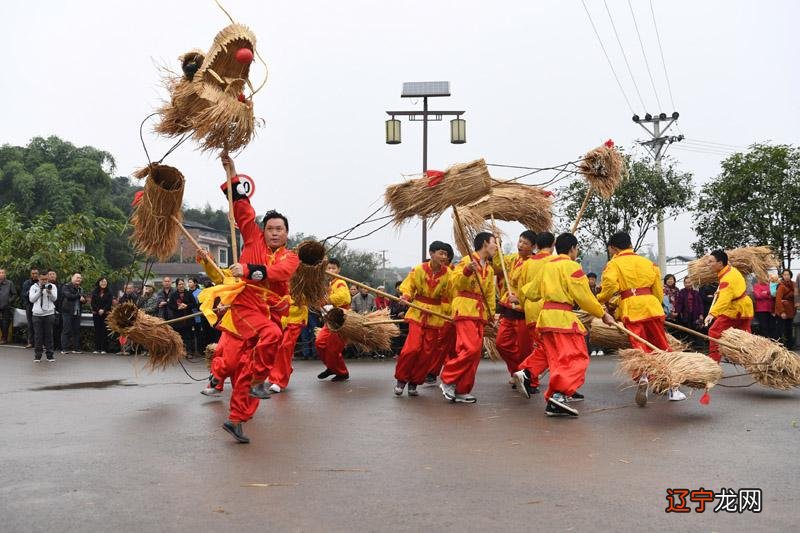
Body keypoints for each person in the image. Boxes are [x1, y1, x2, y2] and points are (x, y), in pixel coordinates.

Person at [200, 157, 299, 443]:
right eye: (271, 228)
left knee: (245, 369)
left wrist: (250, 269)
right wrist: (232, 173)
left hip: (267, 312)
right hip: (245, 306)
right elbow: (243, 208)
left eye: (280, 229)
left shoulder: (290, 257)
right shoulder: (253, 238)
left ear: (287, 233)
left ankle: (237, 419)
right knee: (260, 342)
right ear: (263, 230)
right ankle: (248, 380)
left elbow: (281, 272)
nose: (275, 232)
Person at [530, 233, 615, 417]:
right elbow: (584, 297)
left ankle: (555, 398)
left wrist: (516, 296)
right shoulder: (572, 266)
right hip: (562, 319)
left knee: (558, 360)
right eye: (576, 249)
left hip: (546, 319)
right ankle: (559, 395)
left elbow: (531, 292)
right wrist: (603, 314)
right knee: (578, 357)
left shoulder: (546, 267)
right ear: (572, 249)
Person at [597, 232, 685, 405]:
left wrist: (599, 300)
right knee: (661, 345)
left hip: (631, 308)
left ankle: (643, 375)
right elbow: (658, 290)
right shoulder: (648, 263)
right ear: (630, 244)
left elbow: (610, 287)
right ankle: (673, 388)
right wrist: (656, 305)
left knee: (639, 346)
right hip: (651, 307)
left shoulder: (614, 264)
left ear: (614, 248)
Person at [439, 232, 497, 404]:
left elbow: (489, 294)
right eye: (495, 243)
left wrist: (491, 314)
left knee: (475, 353)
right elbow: (454, 283)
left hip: (479, 313)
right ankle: (448, 378)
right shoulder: (467, 260)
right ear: (486, 243)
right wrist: (466, 271)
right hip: (464, 308)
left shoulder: (489, 268)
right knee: (469, 348)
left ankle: (462, 389)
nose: (496, 247)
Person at [393, 241, 452, 397]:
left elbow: (451, 294)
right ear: (431, 254)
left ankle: (414, 382)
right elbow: (408, 286)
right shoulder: (418, 269)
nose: (444, 257)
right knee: (412, 348)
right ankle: (401, 380)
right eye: (441, 253)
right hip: (417, 312)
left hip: (436, 316)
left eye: (446, 254)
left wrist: (448, 311)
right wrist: (405, 296)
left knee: (427, 353)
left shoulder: (449, 274)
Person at [513, 232, 557, 398]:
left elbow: (522, 289)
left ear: (536, 245)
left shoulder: (527, 263)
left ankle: (530, 377)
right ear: (553, 245)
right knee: (549, 348)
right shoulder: (554, 261)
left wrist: (525, 307)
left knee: (542, 347)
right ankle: (526, 372)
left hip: (530, 310)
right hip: (548, 309)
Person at [492, 230, 537, 381]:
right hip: (508, 309)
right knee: (501, 344)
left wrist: (520, 297)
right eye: (520, 241)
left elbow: (536, 287)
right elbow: (498, 266)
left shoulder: (535, 263)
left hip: (524, 310)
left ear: (533, 246)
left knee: (525, 349)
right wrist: (498, 247)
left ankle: (527, 377)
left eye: (525, 243)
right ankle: (517, 371)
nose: (521, 245)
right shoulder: (512, 259)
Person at [704, 250, 754, 363]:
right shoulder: (731, 270)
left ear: (720, 263)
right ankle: (754, 358)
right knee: (746, 337)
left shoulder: (727, 279)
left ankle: (713, 361)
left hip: (736, 309)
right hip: (744, 307)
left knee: (714, 331)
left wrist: (712, 314)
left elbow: (724, 301)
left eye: (711, 262)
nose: (708, 264)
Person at [316, 258, 352, 381]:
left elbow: (344, 297)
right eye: (328, 268)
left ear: (339, 270)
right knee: (320, 343)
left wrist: (326, 300)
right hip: (331, 320)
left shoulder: (341, 282)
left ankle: (342, 372)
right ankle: (332, 367)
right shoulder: (329, 284)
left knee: (333, 349)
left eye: (333, 268)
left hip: (341, 320)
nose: (330, 270)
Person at [29, 275, 58, 362]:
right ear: (39, 279)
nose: (44, 281)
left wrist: (49, 292)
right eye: (42, 279)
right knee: (38, 336)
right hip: (37, 314)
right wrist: (40, 291)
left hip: (49, 314)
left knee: (49, 335)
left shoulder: (52, 286)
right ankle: (37, 356)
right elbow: (32, 300)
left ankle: (50, 355)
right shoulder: (33, 287)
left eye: (46, 279)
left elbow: (54, 299)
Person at [168, 278, 197, 354]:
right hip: (178, 319)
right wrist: (178, 307)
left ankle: (189, 351)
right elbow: (170, 306)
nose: (181, 286)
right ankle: (179, 352)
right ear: (177, 286)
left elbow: (194, 304)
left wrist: (186, 305)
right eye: (179, 284)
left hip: (188, 319)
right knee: (178, 336)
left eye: (182, 284)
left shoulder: (189, 293)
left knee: (188, 336)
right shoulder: (173, 295)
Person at [60, 273, 85, 354]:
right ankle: (64, 349)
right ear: (72, 278)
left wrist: (84, 300)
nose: (79, 279)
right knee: (66, 330)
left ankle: (76, 349)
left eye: (80, 278)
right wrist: (79, 295)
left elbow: (82, 299)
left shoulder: (80, 288)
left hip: (77, 312)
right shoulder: (66, 286)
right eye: (77, 277)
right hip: (67, 311)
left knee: (76, 331)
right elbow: (68, 296)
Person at [674, 278, 704, 344]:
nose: (688, 284)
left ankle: (698, 345)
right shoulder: (681, 292)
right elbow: (679, 303)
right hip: (685, 314)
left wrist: (701, 314)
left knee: (696, 329)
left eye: (689, 282)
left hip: (695, 314)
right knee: (686, 329)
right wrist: (677, 312)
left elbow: (700, 304)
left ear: (692, 282)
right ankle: (688, 344)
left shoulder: (696, 292)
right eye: (686, 283)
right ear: (684, 284)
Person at [90, 277, 113, 354]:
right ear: (99, 282)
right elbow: (92, 303)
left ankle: (103, 348)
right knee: (97, 331)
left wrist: (103, 310)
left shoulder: (109, 292)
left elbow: (109, 303)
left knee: (104, 331)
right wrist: (98, 310)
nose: (104, 283)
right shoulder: (94, 291)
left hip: (105, 314)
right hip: (96, 314)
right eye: (102, 282)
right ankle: (96, 348)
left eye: (105, 282)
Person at [774, 269, 795, 348]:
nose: (786, 276)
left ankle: (789, 347)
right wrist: (782, 312)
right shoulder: (781, 286)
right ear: (782, 276)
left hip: (790, 311)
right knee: (779, 330)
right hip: (782, 311)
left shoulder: (794, 285)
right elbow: (778, 300)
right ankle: (777, 347)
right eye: (784, 275)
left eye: (788, 275)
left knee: (789, 330)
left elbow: (796, 296)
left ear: (790, 275)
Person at [585, 272, 604, 357]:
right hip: (587, 313)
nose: (591, 281)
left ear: (595, 280)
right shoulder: (585, 289)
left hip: (597, 312)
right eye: (589, 279)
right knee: (590, 332)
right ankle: (592, 350)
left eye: (592, 279)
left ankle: (600, 349)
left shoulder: (598, 289)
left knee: (599, 330)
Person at [21, 268, 40, 348]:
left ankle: (39, 343)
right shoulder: (27, 283)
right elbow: (23, 295)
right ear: (30, 274)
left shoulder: (41, 282)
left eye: (36, 273)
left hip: (39, 306)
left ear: (38, 274)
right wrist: (29, 292)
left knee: (39, 325)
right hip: (30, 306)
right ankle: (30, 342)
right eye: (33, 273)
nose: (34, 275)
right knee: (30, 325)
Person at [0, 268, 18, 344]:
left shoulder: (9, 283)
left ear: (5, 274)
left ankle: (4, 339)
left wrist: (9, 301)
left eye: (2, 272)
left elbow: (14, 294)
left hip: (6, 306)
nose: (1, 274)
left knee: (5, 323)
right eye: (0, 272)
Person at [47, 270, 64, 350]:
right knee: (49, 329)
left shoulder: (60, 285)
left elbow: (61, 298)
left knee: (59, 328)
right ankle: (49, 345)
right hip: (47, 310)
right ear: (47, 276)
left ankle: (58, 345)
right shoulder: (44, 285)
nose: (52, 276)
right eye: (50, 274)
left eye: (53, 274)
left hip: (59, 309)